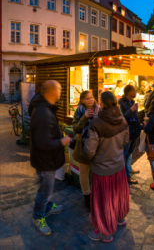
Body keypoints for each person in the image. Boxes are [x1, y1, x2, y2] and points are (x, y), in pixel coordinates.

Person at [83, 91, 130, 243]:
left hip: (102, 169)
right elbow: (125, 140)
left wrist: (90, 157)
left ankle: (105, 231)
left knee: (103, 201)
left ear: (102, 104)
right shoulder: (122, 119)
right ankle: (119, 218)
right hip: (119, 166)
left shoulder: (97, 123)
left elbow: (89, 151)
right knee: (118, 195)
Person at [29, 80, 72, 235]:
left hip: (46, 159)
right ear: (52, 91)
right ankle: (38, 216)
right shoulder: (42, 112)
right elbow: (43, 142)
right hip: (45, 160)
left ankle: (47, 207)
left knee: (47, 187)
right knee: (45, 191)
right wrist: (63, 141)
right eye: (59, 89)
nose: (61, 91)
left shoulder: (45, 108)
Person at [71, 90, 99, 210]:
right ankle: (87, 196)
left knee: (97, 172)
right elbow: (76, 129)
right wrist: (84, 118)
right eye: (87, 98)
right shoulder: (79, 111)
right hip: (83, 146)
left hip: (97, 146)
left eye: (91, 97)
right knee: (84, 173)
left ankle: (97, 195)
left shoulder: (98, 109)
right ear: (82, 100)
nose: (90, 100)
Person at [118, 85, 141, 184]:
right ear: (129, 92)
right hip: (127, 133)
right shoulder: (121, 103)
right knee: (125, 154)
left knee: (130, 152)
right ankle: (126, 176)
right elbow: (121, 118)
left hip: (135, 131)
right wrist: (130, 110)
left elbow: (135, 116)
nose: (136, 92)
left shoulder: (132, 102)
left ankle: (129, 168)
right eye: (134, 90)